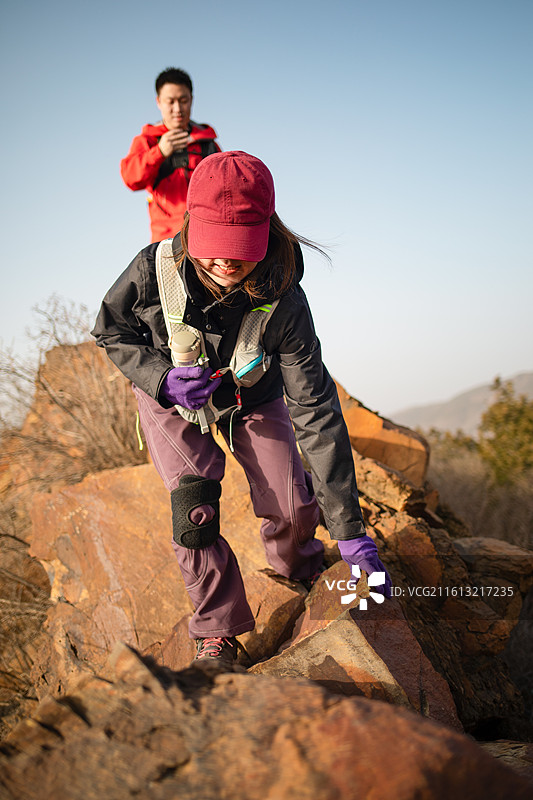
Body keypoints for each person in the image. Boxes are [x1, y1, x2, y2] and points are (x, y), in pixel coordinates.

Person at [93, 151, 392, 668]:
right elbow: (110, 329)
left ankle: (299, 572)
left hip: (253, 394)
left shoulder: (286, 301)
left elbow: (317, 413)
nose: (227, 262)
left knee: (292, 501)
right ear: (191, 226)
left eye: (241, 249)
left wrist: (349, 532)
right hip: (173, 397)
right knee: (195, 508)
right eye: (215, 248)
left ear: (268, 231)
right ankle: (217, 632)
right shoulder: (153, 268)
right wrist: (160, 379)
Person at [121, 67, 220, 243]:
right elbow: (131, 179)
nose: (178, 109)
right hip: (166, 242)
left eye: (183, 101)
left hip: (206, 239)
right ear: (159, 102)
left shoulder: (208, 144)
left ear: (192, 100)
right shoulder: (148, 140)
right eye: (171, 101)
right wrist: (159, 152)